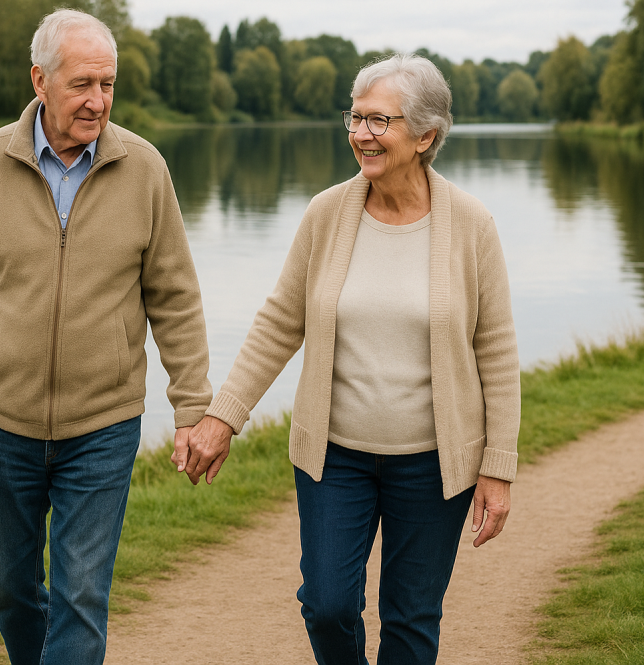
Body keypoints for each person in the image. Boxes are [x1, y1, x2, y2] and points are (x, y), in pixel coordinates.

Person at [174, 54, 520, 663]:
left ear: (425, 135)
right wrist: (223, 416)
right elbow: (281, 321)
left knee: (411, 618)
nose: (361, 134)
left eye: (379, 121)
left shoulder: (471, 225)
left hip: (434, 466)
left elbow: (496, 351)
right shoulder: (327, 214)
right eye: (355, 118)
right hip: (335, 458)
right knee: (328, 605)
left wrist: (498, 464)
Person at [0, 9, 211, 665]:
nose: (98, 100)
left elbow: (175, 297)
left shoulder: (144, 168)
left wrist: (192, 405)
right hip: (2, 422)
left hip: (102, 424)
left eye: (107, 84)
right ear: (40, 80)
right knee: (14, 593)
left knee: (81, 597)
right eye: (82, 84)